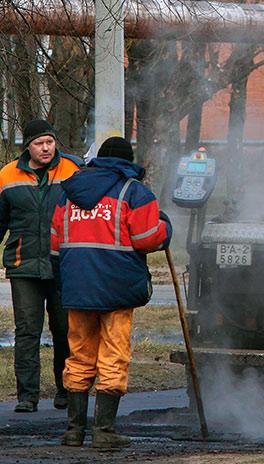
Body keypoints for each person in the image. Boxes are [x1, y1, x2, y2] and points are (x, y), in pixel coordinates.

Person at [50, 136, 172, 449]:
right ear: (127, 160)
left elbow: (55, 242)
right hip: (116, 288)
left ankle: (74, 431)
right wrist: (165, 228)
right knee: (113, 354)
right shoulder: (134, 191)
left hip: (78, 287)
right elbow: (146, 239)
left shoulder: (68, 193)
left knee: (79, 355)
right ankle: (104, 432)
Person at [0, 119, 81, 412]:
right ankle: (27, 397)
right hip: (24, 265)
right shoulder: (7, 175)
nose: (46, 148)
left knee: (65, 330)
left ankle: (66, 390)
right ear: (28, 147)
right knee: (27, 331)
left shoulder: (73, 171)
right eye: (39, 143)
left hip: (63, 264)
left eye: (50, 142)